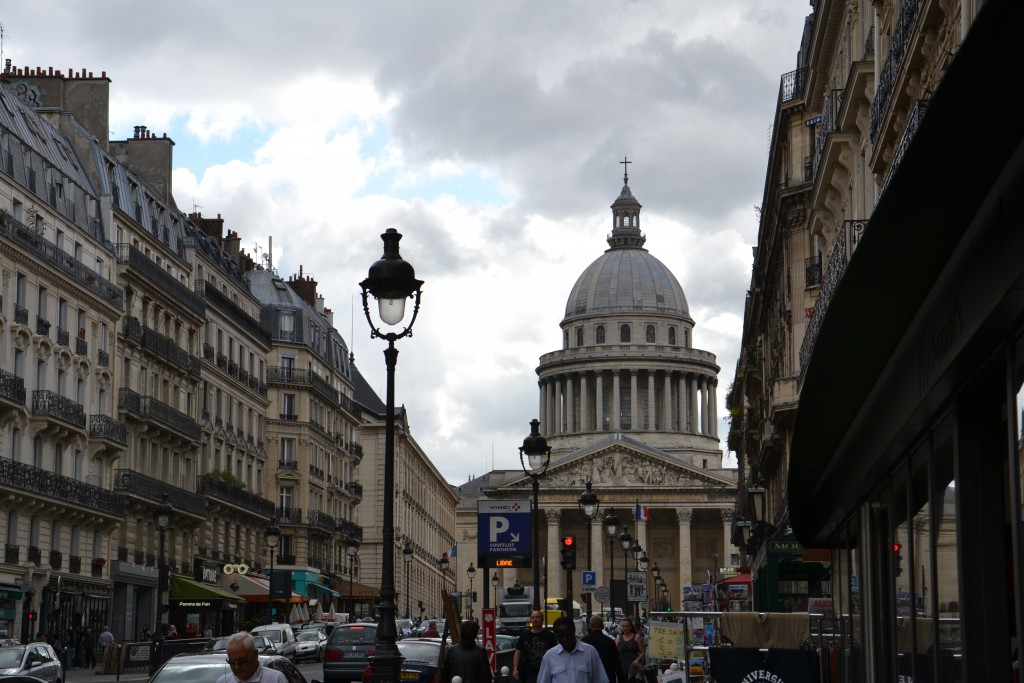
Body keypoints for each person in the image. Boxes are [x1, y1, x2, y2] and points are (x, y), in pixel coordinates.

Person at [537, 616, 608, 683]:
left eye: (568, 634)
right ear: (556, 636)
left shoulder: (590, 652)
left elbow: (601, 680)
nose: (564, 638)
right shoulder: (549, 656)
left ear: (574, 631)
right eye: (560, 636)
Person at [216, 632, 289, 683]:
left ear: (255, 655)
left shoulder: (276, 679)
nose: (237, 667)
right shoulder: (223, 681)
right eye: (232, 662)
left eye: (242, 661)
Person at [513, 610, 558, 683]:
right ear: (530, 620)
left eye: (537, 617)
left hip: (545, 672)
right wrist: (515, 669)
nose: (535, 619)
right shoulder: (524, 635)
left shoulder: (549, 635)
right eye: (533, 617)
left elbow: (555, 654)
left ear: (542, 620)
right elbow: (518, 652)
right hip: (527, 674)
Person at [581, 616, 624, 683]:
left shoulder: (584, 641)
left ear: (590, 626)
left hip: (590, 677)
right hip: (608, 676)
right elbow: (616, 663)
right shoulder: (609, 641)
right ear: (603, 626)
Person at [614, 617, 645, 683]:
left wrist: (637, 659)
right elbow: (615, 653)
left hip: (633, 668)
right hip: (621, 669)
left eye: (626, 626)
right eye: (623, 626)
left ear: (631, 627)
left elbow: (643, 652)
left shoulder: (636, 637)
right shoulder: (619, 638)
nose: (624, 628)